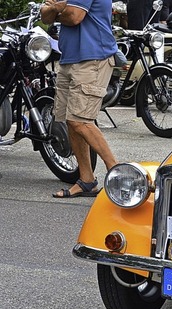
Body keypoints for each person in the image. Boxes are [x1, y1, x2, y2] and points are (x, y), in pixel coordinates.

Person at [41, 0, 118, 198]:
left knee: (80, 121)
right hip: (69, 59)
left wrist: (56, 10)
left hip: (92, 58)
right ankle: (87, 181)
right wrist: (57, 9)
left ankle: (120, 176)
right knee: (71, 120)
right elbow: (45, 17)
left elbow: (75, 17)